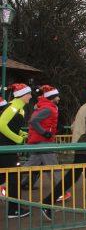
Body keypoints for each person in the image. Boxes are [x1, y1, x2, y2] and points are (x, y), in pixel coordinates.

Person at [41, 84, 86, 220]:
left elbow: (74, 125)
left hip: (81, 144)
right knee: (72, 177)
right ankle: (47, 203)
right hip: (84, 145)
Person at [20, 85, 70, 201]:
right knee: (55, 168)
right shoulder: (48, 108)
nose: (59, 99)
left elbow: (45, 122)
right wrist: (45, 133)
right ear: (52, 97)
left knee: (30, 165)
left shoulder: (47, 107)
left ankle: (8, 185)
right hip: (43, 142)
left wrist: (55, 129)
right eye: (57, 96)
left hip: (41, 141)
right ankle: (61, 193)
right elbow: (33, 121)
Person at [0, 84, 32, 218]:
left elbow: (10, 125)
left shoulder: (17, 107)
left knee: (6, 176)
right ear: (23, 95)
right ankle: (13, 210)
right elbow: (1, 125)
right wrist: (18, 138)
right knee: (14, 178)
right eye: (29, 94)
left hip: (6, 148)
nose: (31, 96)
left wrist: (21, 134)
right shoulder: (14, 106)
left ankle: (14, 208)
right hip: (6, 148)